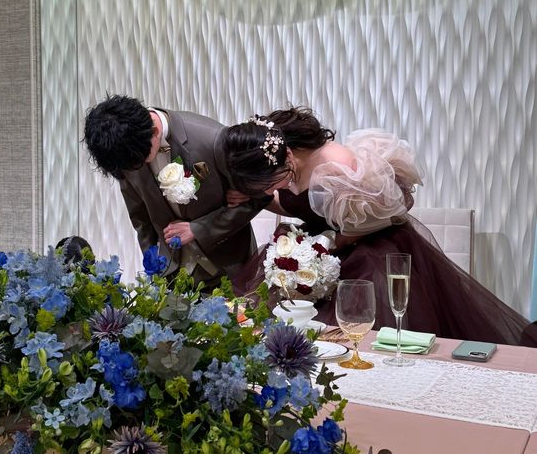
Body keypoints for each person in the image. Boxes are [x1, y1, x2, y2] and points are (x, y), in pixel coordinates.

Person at [223, 107, 537, 346]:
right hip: (327, 245)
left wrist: (328, 244)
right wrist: (254, 198)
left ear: (287, 153)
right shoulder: (282, 166)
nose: (273, 188)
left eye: (271, 181)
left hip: (368, 249)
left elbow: (374, 218)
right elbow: (293, 204)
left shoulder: (335, 165)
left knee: (359, 332)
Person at [83, 95, 270, 286]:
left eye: (140, 161)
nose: (134, 169)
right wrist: (155, 267)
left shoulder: (212, 138)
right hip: (172, 274)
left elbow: (259, 197)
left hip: (229, 266)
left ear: (155, 131)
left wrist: (198, 229)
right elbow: (140, 218)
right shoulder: (122, 152)